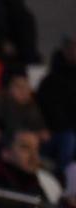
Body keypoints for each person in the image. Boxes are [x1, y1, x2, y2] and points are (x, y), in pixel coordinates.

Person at [36, 36, 76, 176]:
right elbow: (41, 110)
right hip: (53, 134)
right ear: (65, 50)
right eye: (73, 47)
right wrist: (42, 128)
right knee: (70, 138)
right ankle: (64, 178)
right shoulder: (51, 81)